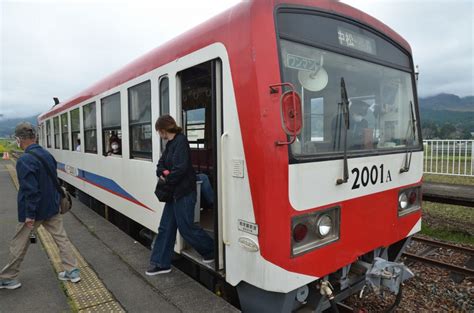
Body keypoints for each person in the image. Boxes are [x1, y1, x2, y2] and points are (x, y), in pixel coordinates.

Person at [0, 122, 80, 290]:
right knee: (61, 238)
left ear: (18, 139)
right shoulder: (47, 154)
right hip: (52, 207)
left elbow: (31, 191)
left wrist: (29, 215)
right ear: (35, 137)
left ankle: (9, 278)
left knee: (19, 242)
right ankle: (72, 271)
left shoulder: (25, 160)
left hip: (34, 211)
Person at [147, 115, 214, 275]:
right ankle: (161, 264)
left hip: (184, 193)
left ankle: (211, 250)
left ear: (163, 130)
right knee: (165, 228)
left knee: (187, 227)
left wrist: (166, 176)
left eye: (159, 132)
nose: (159, 135)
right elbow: (160, 165)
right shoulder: (170, 144)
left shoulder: (181, 141)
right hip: (173, 193)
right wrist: (163, 171)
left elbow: (181, 168)